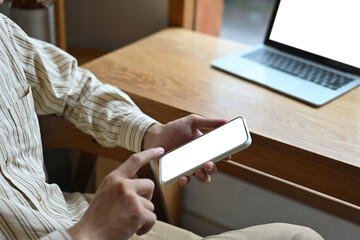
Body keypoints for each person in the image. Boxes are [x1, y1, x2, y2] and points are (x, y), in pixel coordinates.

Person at [0, 6, 324, 240]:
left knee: (300, 236)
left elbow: (74, 89)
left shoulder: (5, 33)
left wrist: (150, 133)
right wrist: (90, 232)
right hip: (89, 229)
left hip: (76, 214)